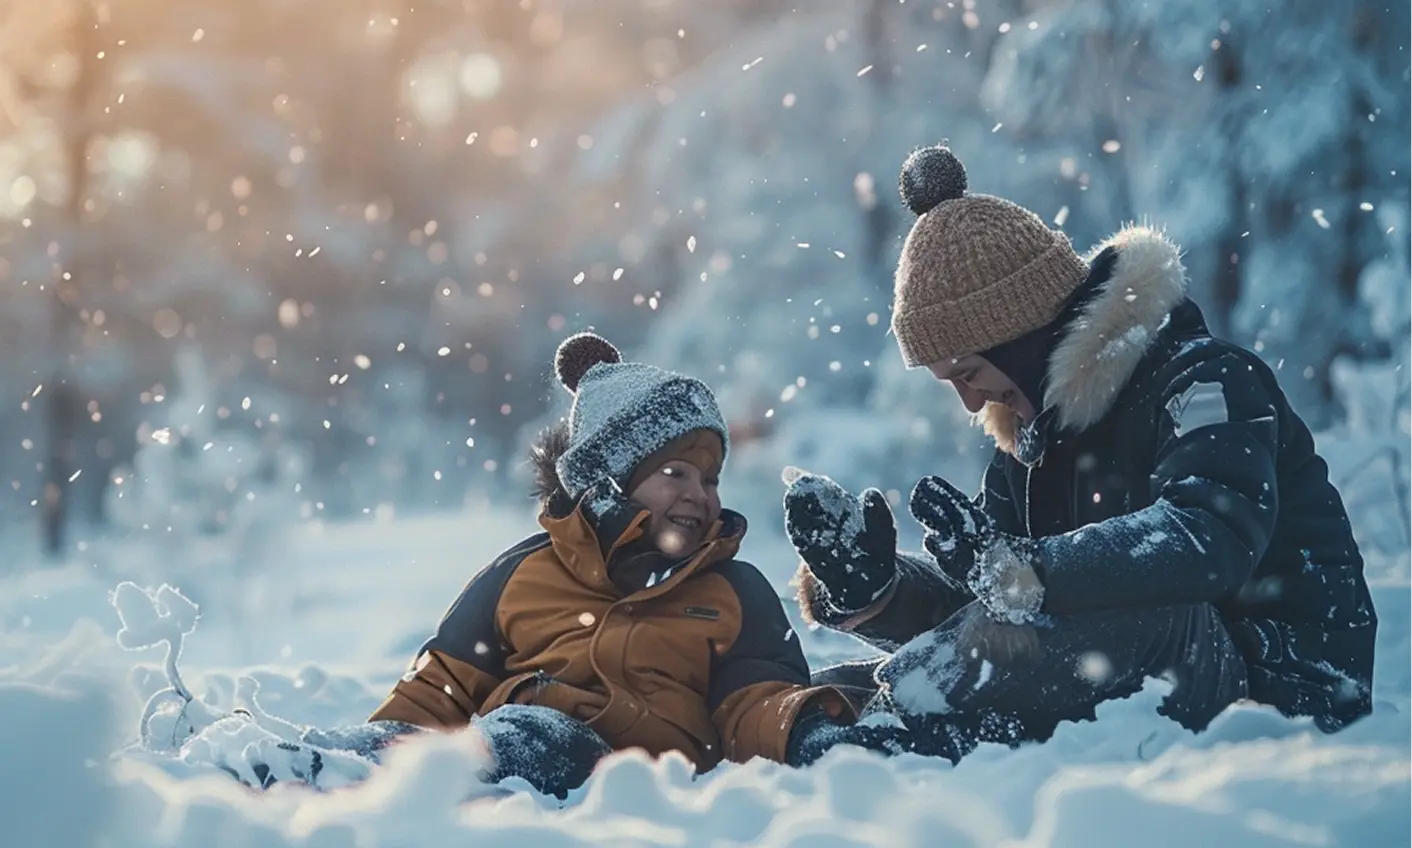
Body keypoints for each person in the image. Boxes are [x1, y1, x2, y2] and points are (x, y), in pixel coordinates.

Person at [783, 144, 1378, 760]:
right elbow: (992, 617)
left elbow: (1208, 538)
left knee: (1135, 610)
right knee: (832, 689)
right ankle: (843, 727)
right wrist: (880, 591)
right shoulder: (1030, 446)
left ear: (1017, 339)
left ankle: (891, 733)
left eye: (967, 373)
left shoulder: (1204, 382)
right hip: (1134, 679)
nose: (969, 403)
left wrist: (1020, 571)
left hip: (1279, 693)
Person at [366, 332, 910, 797]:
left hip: (627, 782)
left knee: (532, 735)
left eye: (710, 478)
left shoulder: (732, 590)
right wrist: (381, 748)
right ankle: (319, 769)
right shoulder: (518, 576)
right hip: (505, 769)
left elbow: (754, 700)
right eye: (675, 473)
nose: (700, 494)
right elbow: (440, 688)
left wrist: (805, 732)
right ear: (607, 484)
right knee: (426, 749)